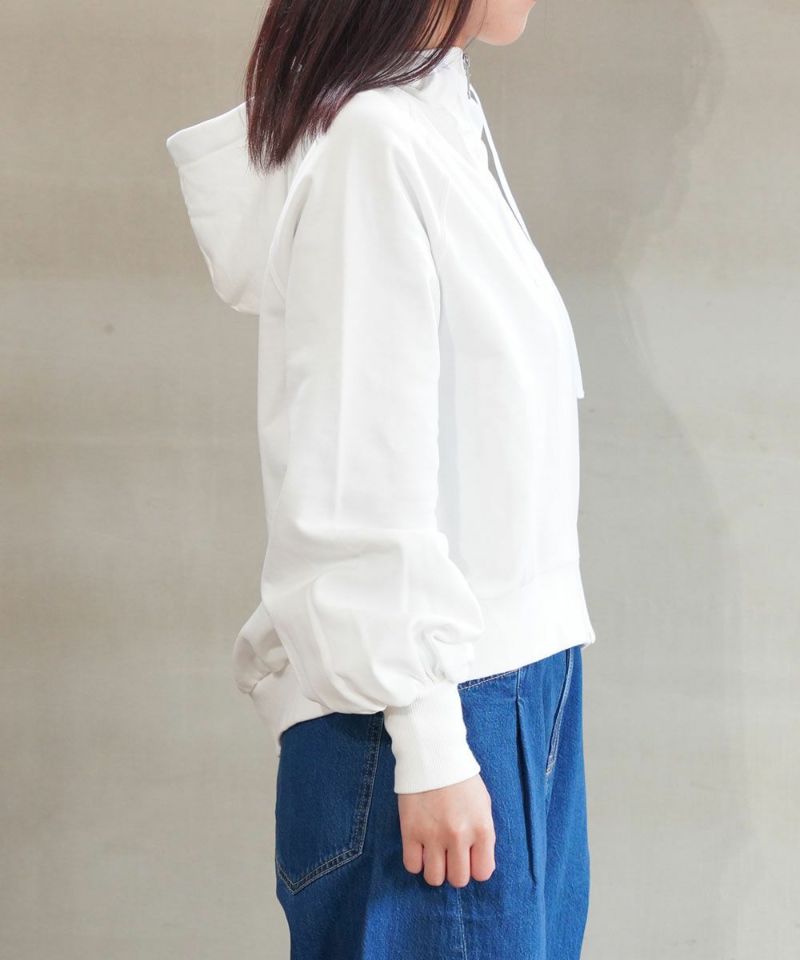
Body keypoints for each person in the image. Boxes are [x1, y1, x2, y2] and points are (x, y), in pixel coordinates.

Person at [166, 1, 596, 956]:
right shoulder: (373, 142)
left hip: (518, 683)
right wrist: (432, 738)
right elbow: (356, 467)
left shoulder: (440, 119)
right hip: (435, 711)